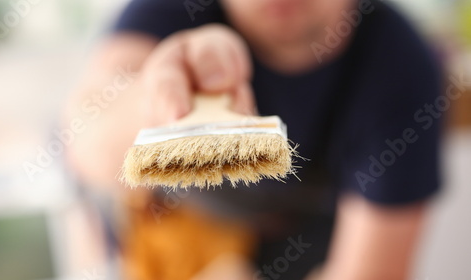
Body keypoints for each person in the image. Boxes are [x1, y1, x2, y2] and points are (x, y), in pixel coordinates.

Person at [64, 0, 443, 279]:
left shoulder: (402, 66)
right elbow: (86, 137)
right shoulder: (173, 10)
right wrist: (157, 96)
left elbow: (371, 271)